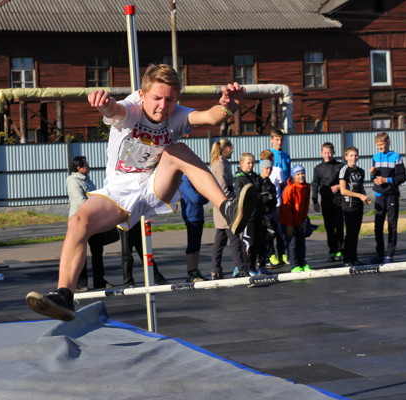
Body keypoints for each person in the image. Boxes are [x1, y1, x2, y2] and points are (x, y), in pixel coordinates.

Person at [26, 64, 257, 321]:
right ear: (142, 94)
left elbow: (209, 117)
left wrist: (228, 106)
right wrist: (104, 105)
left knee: (177, 150)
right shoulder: (132, 108)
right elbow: (116, 110)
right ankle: (64, 296)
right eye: (157, 98)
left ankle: (227, 208)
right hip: (119, 191)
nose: (163, 106)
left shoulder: (176, 114)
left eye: (170, 100)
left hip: (156, 184)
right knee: (77, 221)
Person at [66, 156, 119, 290]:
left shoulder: (87, 180)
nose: (88, 167)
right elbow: (81, 201)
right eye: (86, 165)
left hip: (92, 220)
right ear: (79, 168)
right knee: (80, 252)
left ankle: (99, 280)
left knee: (97, 251)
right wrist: (97, 208)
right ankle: (81, 283)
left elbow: (94, 197)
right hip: (80, 221)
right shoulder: (73, 182)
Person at [210, 139, 245, 280]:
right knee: (235, 239)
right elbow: (223, 189)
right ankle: (242, 269)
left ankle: (216, 269)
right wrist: (232, 202)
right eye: (232, 148)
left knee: (220, 241)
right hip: (225, 207)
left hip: (221, 207)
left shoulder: (219, 164)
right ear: (228, 149)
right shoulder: (221, 165)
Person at [370, 132, 406, 264]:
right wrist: (373, 175)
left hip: (391, 195)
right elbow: (374, 178)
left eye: (382, 144)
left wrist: (386, 180)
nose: (380, 147)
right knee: (378, 226)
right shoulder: (375, 157)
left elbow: (402, 177)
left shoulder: (396, 157)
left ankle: (390, 254)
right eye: (378, 145)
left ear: (388, 142)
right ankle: (380, 254)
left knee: (392, 225)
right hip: (379, 195)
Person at [234, 152, 270, 277]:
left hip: (258, 214)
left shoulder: (255, 177)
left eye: (252, 163)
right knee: (248, 243)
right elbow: (242, 197)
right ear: (241, 163)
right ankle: (246, 267)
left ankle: (253, 266)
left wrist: (263, 198)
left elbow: (264, 191)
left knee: (258, 242)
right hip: (247, 216)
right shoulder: (239, 179)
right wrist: (259, 197)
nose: (251, 165)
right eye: (248, 163)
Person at [339, 147, 371, 267]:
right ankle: (347, 259)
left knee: (356, 232)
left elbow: (360, 187)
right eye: (351, 155)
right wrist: (360, 196)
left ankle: (354, 258)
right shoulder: (344, 170)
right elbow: (343, 191)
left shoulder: (361, 171)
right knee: (350, 233)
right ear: (346, 157)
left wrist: (365, 197)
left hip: (359, 205)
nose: (354, 158)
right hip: (349, 205)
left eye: (356, 155)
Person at [311, 142, 344, 262]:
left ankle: (340, 250)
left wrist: (339, 186)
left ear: (333, 153)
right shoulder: (318, 168)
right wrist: (315, 201)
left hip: (339, 199)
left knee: (339, 226)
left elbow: (346, 181)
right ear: (321, 153)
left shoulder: (341, 166)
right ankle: (332, 250)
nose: (327, 155)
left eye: (329, 153)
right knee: (329, 227)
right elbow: (315, 185)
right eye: (325, 153)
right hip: (326, 200)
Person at [278, 165, 312, 273]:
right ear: (293, 176)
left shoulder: (306, 187)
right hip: (288, 221)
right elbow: (286, 209)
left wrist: (304, 221)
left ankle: (302, 263)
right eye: (298, 174)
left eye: (302, 173)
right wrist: (289, 225)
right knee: (292, 243)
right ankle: (294, 265)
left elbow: (305, 205)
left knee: (301, 243)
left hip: (299, 220)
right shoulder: (290, 189)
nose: (301, 176)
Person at [260, 149, 287, 268]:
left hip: (277, 205)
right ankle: (272, 255)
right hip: (268, 208)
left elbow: (281, 184)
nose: (268, 169)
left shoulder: (276, 171)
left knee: (279, 231)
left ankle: (280, 254)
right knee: (269, 232)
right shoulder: (261, 176)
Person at [120, 221, 167, 288]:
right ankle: (128, 281)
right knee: (127, 254)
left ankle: (157, 278)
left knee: (144, 251)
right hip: (125, 223)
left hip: (136, 221)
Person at [180, 175, 209, 282]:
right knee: (192, 245)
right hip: (191, 216)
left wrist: (204, 196)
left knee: (197, 245)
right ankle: (191, 272)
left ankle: (195, 270)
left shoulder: (193, 179)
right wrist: (204, 196)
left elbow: (204, 196)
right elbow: (196, 198)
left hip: (198, 215)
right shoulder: (185, 181)